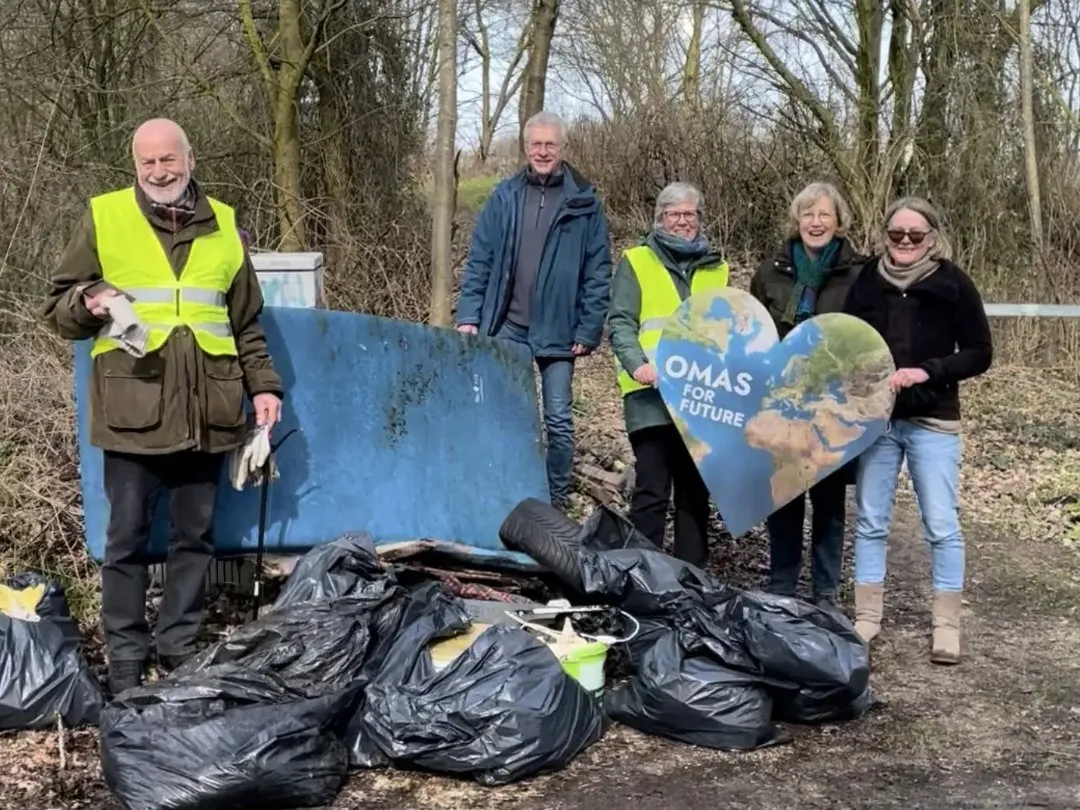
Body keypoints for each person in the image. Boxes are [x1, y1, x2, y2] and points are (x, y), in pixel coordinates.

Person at [42, 118, 284, 694]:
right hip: (133, 411)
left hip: (209, 408)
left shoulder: (225, 224)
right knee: (124, 539)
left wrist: (264, 387)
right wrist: (88, 301)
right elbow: (56, 309)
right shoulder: (104, 217)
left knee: (194, 538)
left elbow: (244, 319)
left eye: (168, 160)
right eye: (148, 162)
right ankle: (126, 655)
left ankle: (180, 646)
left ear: (190, 158)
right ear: (135, 166)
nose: (159, 172)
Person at [842, 196, 992, 664]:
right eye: (896, 234)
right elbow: (844, 341)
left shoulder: (953, 283)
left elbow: (979, 352)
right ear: (884, 235)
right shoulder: (866, 279)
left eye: (915, 235)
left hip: (934, 420)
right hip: (879, 421)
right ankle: (866, 617)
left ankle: (946, 625)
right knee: (870, 521)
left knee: (942, 524)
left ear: (932, 237)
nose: (905, 242)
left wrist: (929, 371)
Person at [455, 110, 612, 511]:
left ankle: (554, 500)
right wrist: (469, 314)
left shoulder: (583, 203)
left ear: (562, 148)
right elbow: (480, 261)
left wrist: (589, 328)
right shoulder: (504, 197)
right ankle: (508, 491)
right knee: (506, 414)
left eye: (550, 145)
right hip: (507, 326)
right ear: (526, 148)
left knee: (558, 421)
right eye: (536, 145)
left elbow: (598, 271)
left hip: (560, 332)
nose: (543, 152)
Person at [749, 181, 868, 609]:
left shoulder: (859, 272)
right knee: (783, 492)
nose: (816, 223)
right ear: (796, 220)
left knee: (829, 500)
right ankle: (781, 585)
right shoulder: (770, 271)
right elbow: (752, 332)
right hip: (781, 400)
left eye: (824, 215)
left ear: (838, 221)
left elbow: (868, 339)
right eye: (808, 215)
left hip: (834, 404)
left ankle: (825, 591)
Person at [607, 181, 727, 568]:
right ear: (659, 219)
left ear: (699, 219)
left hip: (700, 399)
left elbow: (730, 333)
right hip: (650, 397)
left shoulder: (717, 268)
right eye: (673, 214)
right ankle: (643, 575)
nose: (682, 222)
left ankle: (690, 578)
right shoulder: (637, 260)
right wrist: (636, 363)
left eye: (689, 214)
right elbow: (621, 322)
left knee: (694, 494)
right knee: (652, 492)